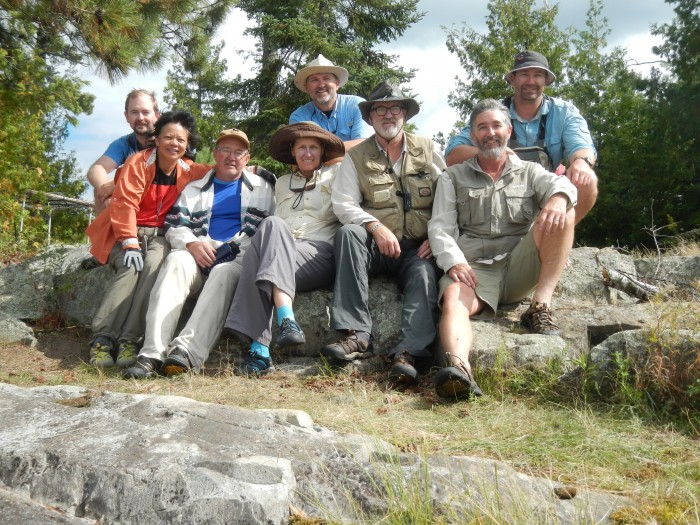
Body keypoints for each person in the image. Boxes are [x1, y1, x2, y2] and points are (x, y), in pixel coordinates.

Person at [428, 99, 578, 400]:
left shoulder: (530, 171)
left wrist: (558, 198)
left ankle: (540, 307)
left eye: (496, 126)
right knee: (454, 297)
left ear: (509, 131)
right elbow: (440, 227)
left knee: (564, 209)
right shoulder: (452, 177)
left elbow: (565, 186)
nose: (490, 133)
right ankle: (459, 371)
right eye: (482, 127)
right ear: (473, 136)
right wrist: (454, 262)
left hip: (518, 265)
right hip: (474, 270)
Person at [121, 129, 276, 379]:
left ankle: (185, 352)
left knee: (223, 273)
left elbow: (269, 231)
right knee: (174, 260)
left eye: (238, 152)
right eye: (225, 150)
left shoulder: (264, 188)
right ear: (215, 154)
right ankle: (151, 354)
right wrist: (192, 244)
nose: (231, 157)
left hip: (237, 258)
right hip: (198, 254)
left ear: (247, 158)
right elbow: (174, 226)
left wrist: (233, 248)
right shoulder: (194, 189)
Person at [321, 81, 446, 385]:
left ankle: (408, 353)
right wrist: (374, 227)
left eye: (395, 108)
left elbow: (449, 197)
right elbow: (343, 203)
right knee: (349, 233)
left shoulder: (429, 149)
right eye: (380, 109)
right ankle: (355, 334)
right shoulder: (356, 157)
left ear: (404, 114)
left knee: (425, 276)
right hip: (377, 247)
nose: (388, 115)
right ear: (370, 117)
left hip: (418, 247)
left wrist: (437, 235)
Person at [86, 110, 210, 369]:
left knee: (154, 266)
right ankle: (102, 338)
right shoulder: (138, 163)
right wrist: (130, 240)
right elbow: (125, 203)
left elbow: (217, 170)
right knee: (132, 267)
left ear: (187, 145)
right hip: (124, 232)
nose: (174, 144)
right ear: (157, 137)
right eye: (168, 137)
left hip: (160, 236)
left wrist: (251, 167)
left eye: (181, 140)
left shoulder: (188, 169)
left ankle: (130, 339)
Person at [223, 122, 345, 376]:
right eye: (302, 147)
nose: (308, 153)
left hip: (318, 253)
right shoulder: (282, 184)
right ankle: (281, 328)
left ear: (322, 151)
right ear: (293, 152)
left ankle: (262, 344)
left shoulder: (338, 175)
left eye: (313, 147)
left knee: (265, 244)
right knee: (271, 227)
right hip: (283, 253)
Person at [445, 50, 596, 223]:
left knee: (588, 179)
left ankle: (559, 232)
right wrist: (499, 153)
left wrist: (581, 163)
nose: (531, 81)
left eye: (538, 75)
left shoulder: (564, 112)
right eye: (524, 74)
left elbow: (582, 147)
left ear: (546, 80)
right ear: (512, 79)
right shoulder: (492, 113)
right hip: (499, 192)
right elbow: (453, 154)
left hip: (545, 190)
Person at [87, 89, 160, 214]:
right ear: (126, 116)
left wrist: (121, 185)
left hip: (164, 201)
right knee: (101, 190)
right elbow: (96, 169)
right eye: (134, 112)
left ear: (157, 115)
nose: (140, 117)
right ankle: (112, 232)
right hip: (134, 205)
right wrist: (108, 193)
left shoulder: (167, 140)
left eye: (146, 112)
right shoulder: (124, 143)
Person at [289, 54, 373, 149]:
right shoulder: (299, 117)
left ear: (337, 84)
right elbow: (302, 153)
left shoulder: (357, 105)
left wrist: (322, 153)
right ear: (307, 87)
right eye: (314, 80)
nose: (321, 85)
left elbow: (365, 144)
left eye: (326, 78)